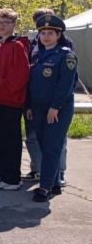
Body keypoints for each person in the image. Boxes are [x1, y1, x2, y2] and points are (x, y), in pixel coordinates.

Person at [26, 14, 78, 202]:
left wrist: (55, 106)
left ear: (58, 35)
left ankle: (44, 188)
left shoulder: (66, 55)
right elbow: (32, 83)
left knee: (51, 147)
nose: (46, 36)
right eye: (43, 33)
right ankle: (54, 183)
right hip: (38, 108)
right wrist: (29, 105)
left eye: (50, 33)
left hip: (57, 109)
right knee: (44, 145)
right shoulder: (37, 55)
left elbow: (66, 84)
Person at [0, 8, 29, 191]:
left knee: (9, 142)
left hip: (10, 101)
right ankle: (3, 174)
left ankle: (12, 179)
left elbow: (20, 75)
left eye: (5, 23)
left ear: (14, 24)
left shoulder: (17, 45)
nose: (1, 26)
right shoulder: (2, 45)